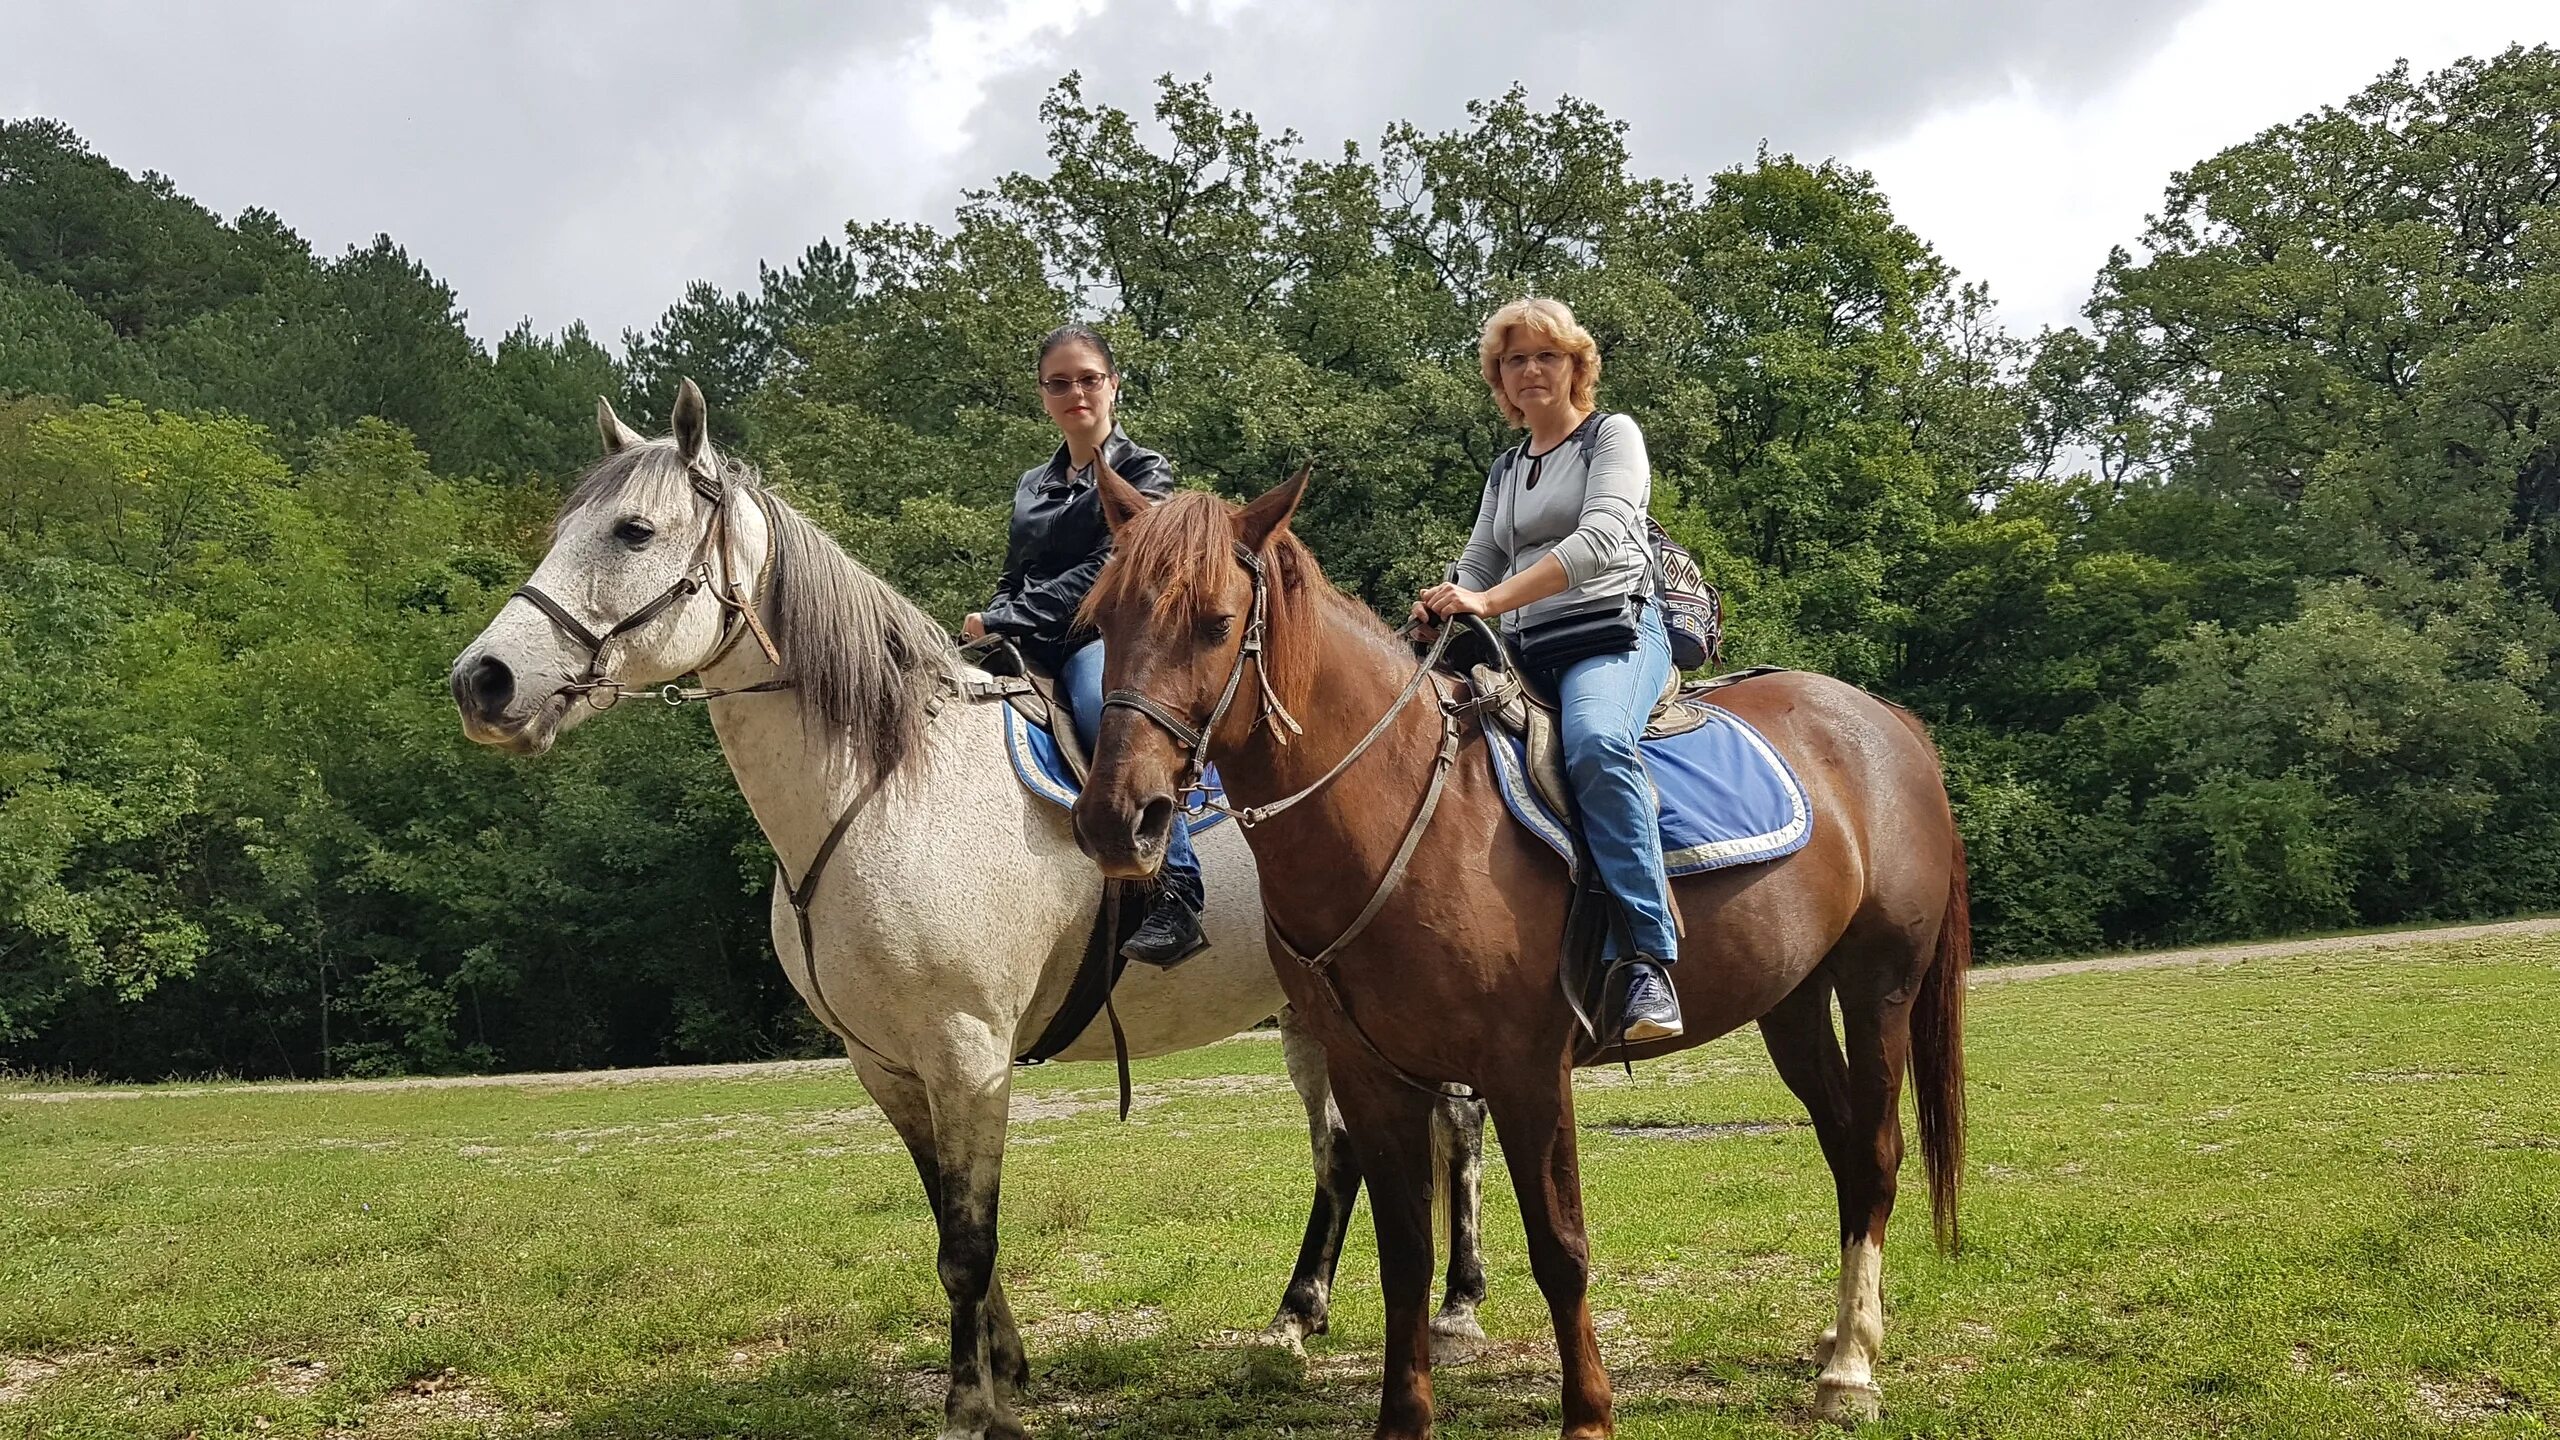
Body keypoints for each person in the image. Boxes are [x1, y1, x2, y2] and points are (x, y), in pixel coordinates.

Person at [1413, 298, 1683, 1043]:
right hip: (1524, 651)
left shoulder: (1611, 436)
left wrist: (1489, 598)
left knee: (1597, 745)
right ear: (1499, 378)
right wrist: (1444, 603)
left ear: (1576, 367)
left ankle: (1646, 960)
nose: (1530, 370)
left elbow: (1601, 539)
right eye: (1514, 360)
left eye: (1546, 356)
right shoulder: (1507, 467)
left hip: (1613, 636)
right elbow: (1479, 558)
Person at [966, 325, 1207, 968]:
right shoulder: (1031, 484)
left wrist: (1011, 617)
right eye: (1060, 382)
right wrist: (992, 615)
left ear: (1112, 386)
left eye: (1088, 379)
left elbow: (1111, 566)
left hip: (1102, 634)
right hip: (1025, 633)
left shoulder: (1144, 470)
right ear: (1044, 395)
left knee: (1115, 717)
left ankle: (1178, 888)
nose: (1076, 392)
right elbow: (1019, 568)